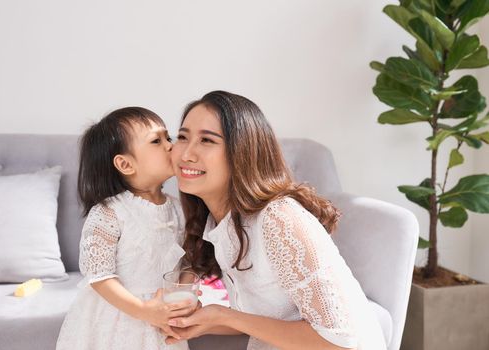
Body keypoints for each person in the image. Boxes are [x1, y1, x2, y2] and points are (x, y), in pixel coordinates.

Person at [166, 91, 387, 350]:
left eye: (207, 140)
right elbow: (265, 316)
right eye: (182, 137)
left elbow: (339, 341)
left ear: (242, 152)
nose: (186, 154)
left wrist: (224, 315)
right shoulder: (220, 223)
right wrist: (202, 320)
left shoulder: (278, 218)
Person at [56, 107, 195, 350]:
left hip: (162, 315)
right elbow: (99, 277)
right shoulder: (110, 212)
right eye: (156, 141)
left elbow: (188, 261)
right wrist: (143, 310)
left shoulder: (178, 209)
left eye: (168, 138)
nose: (170, 146)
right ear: (125, 164)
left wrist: (184, 294)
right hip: (120, 316)